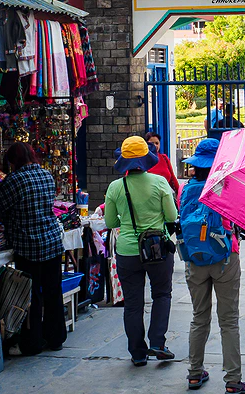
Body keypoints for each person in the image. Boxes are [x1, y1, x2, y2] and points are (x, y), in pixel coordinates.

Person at [180, 138, 245, 393]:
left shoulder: (186, 190)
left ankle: (194, 374)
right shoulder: (226, 187)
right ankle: (233, 380)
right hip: (225, 259)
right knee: (228, 321)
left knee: (199, 317)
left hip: (195, 259)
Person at [104, 136, 179, 366]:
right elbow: (172, 216)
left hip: (127, 251)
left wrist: (125, 219)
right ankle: (157, 342)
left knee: (133, 304)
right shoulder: (159, 183)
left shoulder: (115, 187)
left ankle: (137, 353)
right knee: (161, 294)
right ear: (147, 158)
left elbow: (109, 221)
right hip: (157, 249)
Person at [0, 142, 66, 356]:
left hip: (28, 244)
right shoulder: (46, 175)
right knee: (53, 292)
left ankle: (32, 344)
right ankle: (56, 338)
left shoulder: (14, 180)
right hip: (51, 241)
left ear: (13, 162)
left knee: (30, 295)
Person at [145, 131, 181, 201]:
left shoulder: (164, 158)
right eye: (152, 143)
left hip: (166, 196)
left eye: (157, 143)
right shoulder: (141, 160)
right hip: (149, 198)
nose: (155, 145)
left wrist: (179, 193)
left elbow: (172, 178)